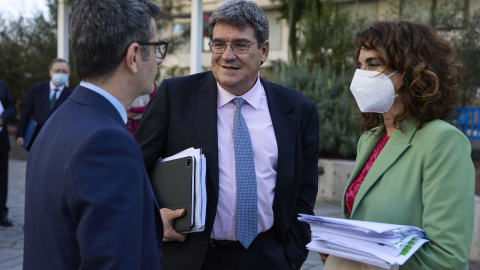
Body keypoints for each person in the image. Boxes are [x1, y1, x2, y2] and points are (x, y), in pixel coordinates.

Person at [135, 0, 320, 269]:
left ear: (264, 50)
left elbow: (304, 195)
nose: (227, 55)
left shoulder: (298, 110)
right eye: (219, 44)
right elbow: (134, 169)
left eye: (241, 45)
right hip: (192, 258)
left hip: (267, 257)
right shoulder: (175, 97)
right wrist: (152, 217)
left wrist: (291, 257)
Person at [23, 0, 165, 269]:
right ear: (134, 56)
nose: (159, 60)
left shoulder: (62, 119)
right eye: (156, 48)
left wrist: (145, 219)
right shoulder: (107, 143)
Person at [322, 20, 475, 270]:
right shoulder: (370, 139)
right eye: (360, 65)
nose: (361, 75)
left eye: (373, 64)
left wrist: (364, 258)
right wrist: (339, 248)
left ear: (409, 72)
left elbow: (448, 259)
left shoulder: (443, 141)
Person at [16, 58, 72, 150]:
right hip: (35, 139)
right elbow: (26, 112)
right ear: (50, 72)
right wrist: (20, 134)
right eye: (57, 71)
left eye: (64, 71)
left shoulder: (71, 95)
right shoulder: (36, 89)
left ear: (69, 74)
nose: (61, 73)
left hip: (57, 142)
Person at [0, 81, 16, 227]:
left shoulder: (3, 86)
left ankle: (1, 214)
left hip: (1, 141)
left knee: (2, 179)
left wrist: (3, 118)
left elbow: (11, 107)